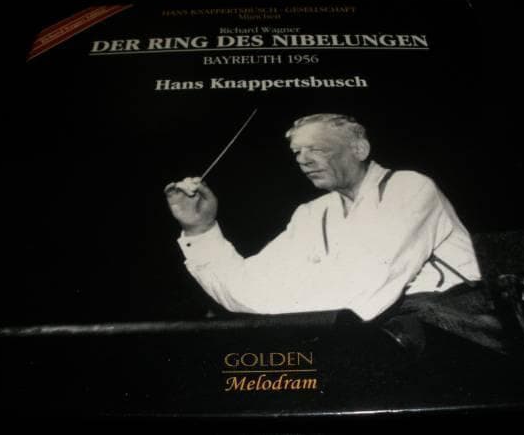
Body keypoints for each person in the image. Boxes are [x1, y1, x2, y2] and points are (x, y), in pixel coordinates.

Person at [165, 114, 504, 352]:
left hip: (457, 332)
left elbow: (364, 287)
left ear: (359, 149)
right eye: (297, 152)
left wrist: (282, 302)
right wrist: (201, 229)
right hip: (379, 336)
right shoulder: (312, 214)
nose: (303, 160)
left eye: (317, 149)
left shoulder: (409, 186)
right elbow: (249, 290)